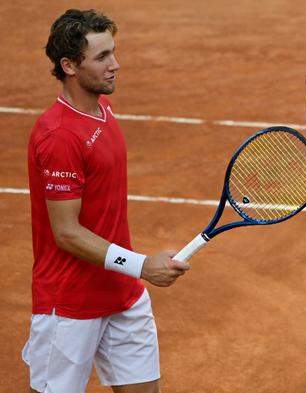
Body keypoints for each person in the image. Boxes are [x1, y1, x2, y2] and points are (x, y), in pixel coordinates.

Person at [23, 9, 190, 393]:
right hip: (69, 306)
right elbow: (66, 233)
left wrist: (133, 273)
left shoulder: (102, 109)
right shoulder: (60, 136)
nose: (115, 65)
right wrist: (142, 266)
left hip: (122, 295)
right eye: (101, 57)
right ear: (68, 65)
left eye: (113, 53)